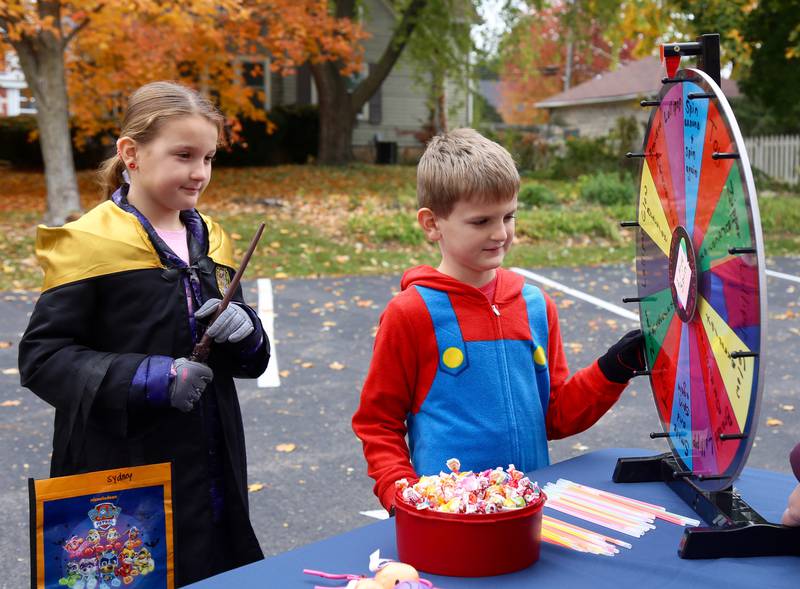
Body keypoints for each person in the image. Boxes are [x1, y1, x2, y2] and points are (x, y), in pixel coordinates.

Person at [19, 81, 269, 586]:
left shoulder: (211, 238)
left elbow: (251, 361)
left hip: (214, 468)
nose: (200, 172)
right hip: (124, 472)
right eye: (183, 155)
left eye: (209, 157)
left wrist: (247, 333)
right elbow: (42, 358)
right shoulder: (90, 242)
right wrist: (149, 378)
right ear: (131, 153)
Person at [352, 128, 645, 511]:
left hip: (531, 510)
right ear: (431, 224)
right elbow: (379, 422)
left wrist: (613, 369)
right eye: (480, 221)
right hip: (448, 520)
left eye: (509, 216)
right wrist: (403, 497)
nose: (500, 233)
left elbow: (554, 417)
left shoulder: (535, 305)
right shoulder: (410, 313)